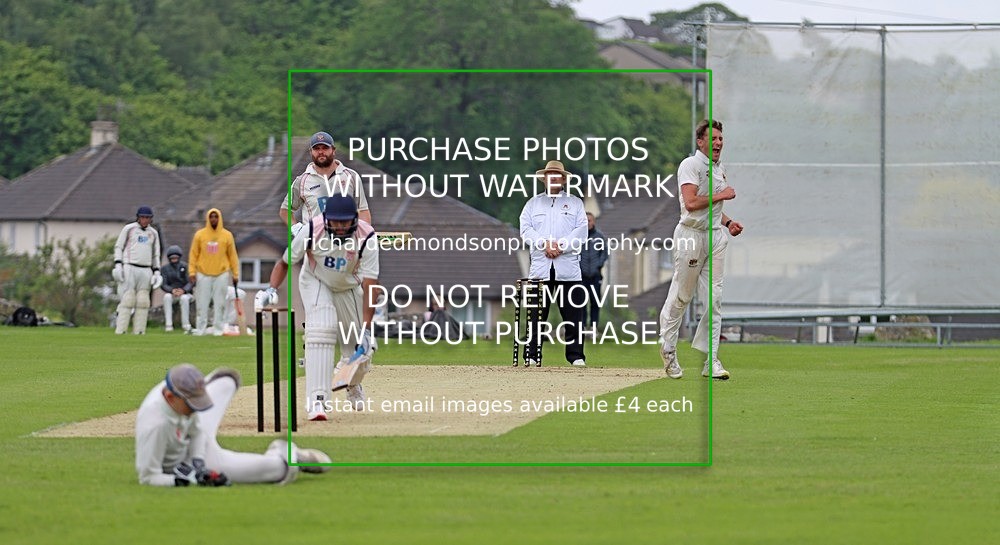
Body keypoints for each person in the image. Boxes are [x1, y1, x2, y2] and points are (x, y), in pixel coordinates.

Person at [256, 194, 380, 420]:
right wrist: (271, 290)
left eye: (345, 221)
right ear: (327, 218)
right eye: (336, 221)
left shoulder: (367, 237)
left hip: (348, 287)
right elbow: (285, 262)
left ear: (354, 219)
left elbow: (371, 286)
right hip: (316, 280)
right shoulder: (312, 230)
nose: (341, 227)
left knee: (361, 350)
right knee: (321, 330)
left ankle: (352, 383)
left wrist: (367, 328)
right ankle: (318, 401)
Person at [134, 363, 331, 486]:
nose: (195, 408)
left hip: (195, 451)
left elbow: (198, 431)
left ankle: (213, 382)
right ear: (170, 397)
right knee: (275, 470)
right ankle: (286, 453)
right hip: (181, 464)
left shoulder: (180, 401)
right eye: (191, 403)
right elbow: (149, 477)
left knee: (228, 381)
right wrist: (190, 478)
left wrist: (198, 461)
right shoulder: (155, 425)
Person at [659, 119, 744, 380]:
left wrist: (728, 222)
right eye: (714, 138)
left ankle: (712, 361)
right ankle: (669, 350)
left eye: (721, 139)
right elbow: (692, 202)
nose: (719, 143)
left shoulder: (719, 169)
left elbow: (713, 208)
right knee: (683, 296)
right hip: (690, 236)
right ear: (701, 141)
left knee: (714, 298)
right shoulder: (691, 165)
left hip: (715, 237)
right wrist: (722, 195)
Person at [518, 160, 588, 367]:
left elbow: (581, 232)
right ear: (544, 179)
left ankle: (576, 356)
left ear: (564, 179)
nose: (554, 178)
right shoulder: (533, 204)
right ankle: (531, 355)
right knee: (535, 315)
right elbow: (526, 230)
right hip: (540, 269)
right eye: (550, 175)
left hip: (568, 269)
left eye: (557, 175)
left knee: (573, 315)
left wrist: (561, 246)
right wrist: (544, 244)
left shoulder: (575, 203)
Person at [279, 131, 372, 226]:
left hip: (345, 239)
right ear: (311, 152)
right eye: (316, 148)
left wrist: (364, 235)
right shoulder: (302, 181)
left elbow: (363, 211)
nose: (321, 152)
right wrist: (296, 229)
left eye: (325, 148)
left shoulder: (351, 176)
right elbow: (285, 211)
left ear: (333, 150)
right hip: (314, 239)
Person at [188, 208, 240, 336]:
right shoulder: (200, 235)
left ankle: (218, 329)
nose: (213, 219)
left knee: (220, 303)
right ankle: (200, 329)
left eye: (216, 217)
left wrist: (235, 273)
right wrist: (192, 272)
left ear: (219, 218)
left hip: (221, 273)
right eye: (211, 217)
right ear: (207, 218)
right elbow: (193, 254)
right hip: (203, 273)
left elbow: (232, 255)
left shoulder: (227, 235)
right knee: (202, 303)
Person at [112, 206, 162, 335]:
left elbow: (156, 254)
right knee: (128, 299)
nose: (145, 220)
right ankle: (121, 330)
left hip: (146, 269)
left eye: (148, 218)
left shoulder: (153, 233)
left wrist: (157, 271)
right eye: (143, 217)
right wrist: (118, 264)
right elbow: (119, 246)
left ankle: (139, 331)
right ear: (138, 217)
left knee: (143, 301)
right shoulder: (129, 229)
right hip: (130, 266)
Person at [579, 212, 609, 331]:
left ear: (594, 222)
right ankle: (582, 327)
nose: (588, 223)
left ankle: (593, 327)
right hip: (581, 275)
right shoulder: (579, 237)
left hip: (595, 275)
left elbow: (604, 253)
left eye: (589, 220)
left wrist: (598, 265)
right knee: (581, 302)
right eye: (585, 221)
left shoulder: (599, 237)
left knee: (595, 302)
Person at [160, 245, 193, 332]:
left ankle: (186, 324)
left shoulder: (185, 266)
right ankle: (169, 324)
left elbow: (190, 282)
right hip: (172, 293)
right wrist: (172, 290)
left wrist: (184, 290)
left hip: (186, 293)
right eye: (172, 258)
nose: (174, 260)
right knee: (167, 297)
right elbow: (163, 284)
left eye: (176, 258)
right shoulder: (164, 269)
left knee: (184, 298)